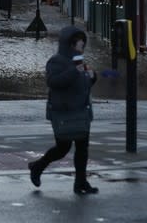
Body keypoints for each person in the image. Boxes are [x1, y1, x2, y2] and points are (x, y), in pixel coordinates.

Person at [28, 24, 98, 195]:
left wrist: (92, 77)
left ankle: (80, 183)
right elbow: (54, 82)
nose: (81, 47)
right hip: (64, 113)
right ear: (69, 44)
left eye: (83, 44)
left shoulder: (80, 62)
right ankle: (37, 167)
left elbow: (83, 86)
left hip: (81, 112)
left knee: (82, 149)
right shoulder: (56, 61)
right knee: (62, 148)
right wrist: (75, 72)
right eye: (79, 44)